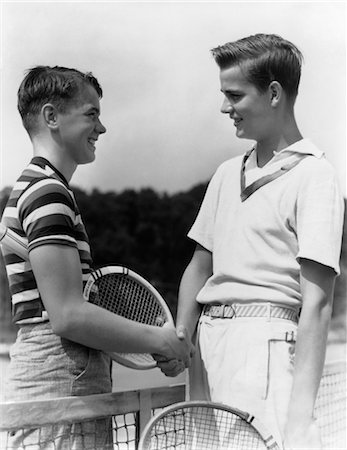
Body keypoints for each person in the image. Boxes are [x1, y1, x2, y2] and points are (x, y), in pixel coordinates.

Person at [160, 34, 344, 449]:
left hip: (268, 350)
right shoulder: (226, 173)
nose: (225, 107)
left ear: (274, 93)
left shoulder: (316, 176)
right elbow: (199, 267)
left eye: (235, 95)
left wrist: (300, 417)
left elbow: (317, 304)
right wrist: (183, 335)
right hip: (207, 351)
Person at [1, 66, 192, 448]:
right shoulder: (47, 193)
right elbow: (69, 315)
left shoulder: (38, 187)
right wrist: (161, 340)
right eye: (91, 114)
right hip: (60, 397)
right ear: (51, 116)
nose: (101, 128)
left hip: (54, 393)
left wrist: (156, 344)